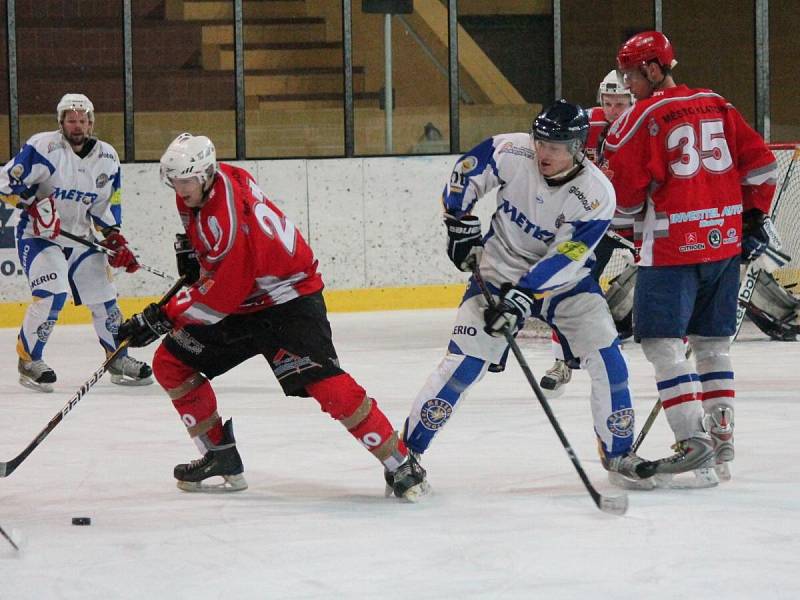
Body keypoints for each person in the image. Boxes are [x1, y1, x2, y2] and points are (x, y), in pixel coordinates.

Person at [117, 133, 428, 500]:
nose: (177, 188)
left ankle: (400, 462)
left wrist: (164, 316)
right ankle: (219, 456)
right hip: (245, 300)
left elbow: (220, 299)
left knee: (324, 383)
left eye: (183, 181)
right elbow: (222, 271)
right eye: (174, 181)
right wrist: (199, 257)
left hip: (286, 302)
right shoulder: (210, 185)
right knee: (171, 363)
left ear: (204, 175)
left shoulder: (225, 217)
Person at [402, 100, 657, 492]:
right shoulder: (513, 150)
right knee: (463, 365)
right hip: (498, 270)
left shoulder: (596, 194)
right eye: (540, 142)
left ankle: (618, 451)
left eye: (555, 146)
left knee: (609, 360)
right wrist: (459, 222)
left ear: (577, 147)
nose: (543, 152)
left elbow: (567, 255)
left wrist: (523, 295)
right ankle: (407, 455)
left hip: (567, 283)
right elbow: (466, 173)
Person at [604, 31, 778, 483]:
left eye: (632, 75)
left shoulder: (638, 120)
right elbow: (762, 166)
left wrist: (620, 225)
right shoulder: (718, 104)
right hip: (723, 245)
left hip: (669, 250)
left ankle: (691, 439)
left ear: (655, 69)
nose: (627, 85)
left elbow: (623, 201)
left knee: (662, 346)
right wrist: (754, 218)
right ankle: (722, 440)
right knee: (711, 344)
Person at [0, 93, 151, 393]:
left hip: (81, 238)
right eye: (71, 119)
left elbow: (105, 207)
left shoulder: (107, 158)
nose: (77, 125)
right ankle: (29, 360)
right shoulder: (44, 147)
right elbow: (5, 182)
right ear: (61, 122)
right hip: (39, 236)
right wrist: (32, 202)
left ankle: (117, 358)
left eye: (83, 120)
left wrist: (114, 240)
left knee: (105, 298)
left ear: (92, 122)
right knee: (52, 293)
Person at [541, 70, 636, 394]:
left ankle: (671, 353)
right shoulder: (585, 125)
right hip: (598, 225)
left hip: (637, 220)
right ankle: (561, 361)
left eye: (620, 103)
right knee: (566, 283)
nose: (613, 109)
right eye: (608, 102)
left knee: (660, 283)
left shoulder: (642, 124)